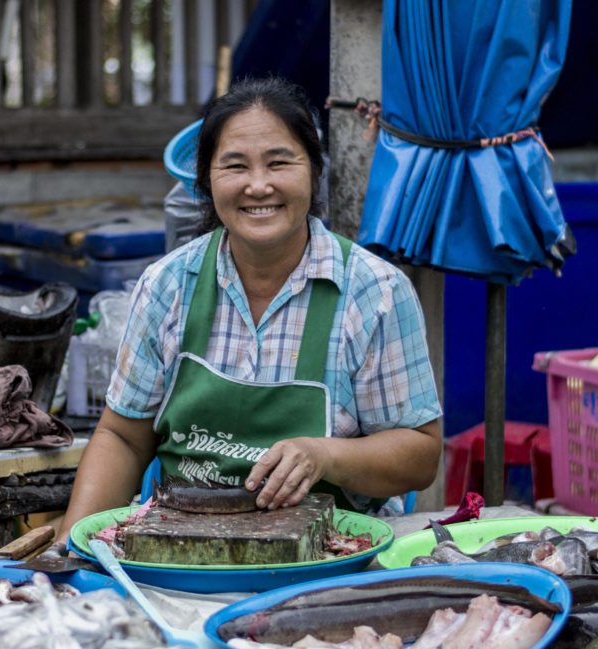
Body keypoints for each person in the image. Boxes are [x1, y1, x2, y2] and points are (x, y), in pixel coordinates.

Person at [57, 77, 442, 545]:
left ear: (313, 171)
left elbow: (420, 456)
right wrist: (70, 546)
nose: (258, 186)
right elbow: (123, 437)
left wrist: (325, 456)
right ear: (207, 179)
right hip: (182, 550)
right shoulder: (169, 284)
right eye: (235, 166)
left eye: (280, 163)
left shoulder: (374, 292)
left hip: (329, 559)